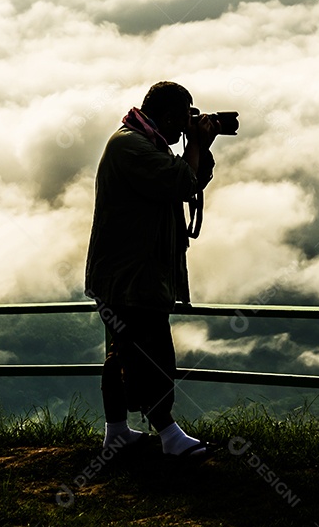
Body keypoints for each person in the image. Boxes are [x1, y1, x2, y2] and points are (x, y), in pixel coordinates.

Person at [84, 81, 218, 460]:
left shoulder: (142, 141)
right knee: (154, 353)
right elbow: (179, 182)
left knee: (123, 353)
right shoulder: (131, 145)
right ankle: (169, 436)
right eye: (184, 118)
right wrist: (194, 145)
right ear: (171, 115)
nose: (184, 128)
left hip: (125, 275)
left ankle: (117, 434)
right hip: (132, 278)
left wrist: (199, 148)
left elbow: (189, 182)